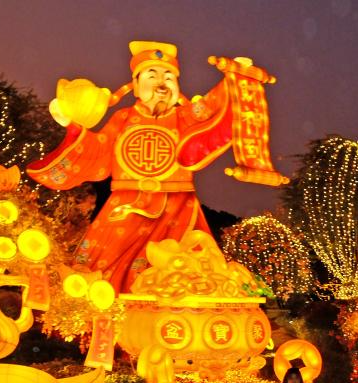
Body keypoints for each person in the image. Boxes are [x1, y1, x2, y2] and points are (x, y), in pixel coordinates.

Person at [27, 41, 236, 292]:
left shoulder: (185, 117)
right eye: (152, 74)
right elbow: (99, 151)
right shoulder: (123, 118)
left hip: (178, 207)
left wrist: (235, 81)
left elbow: (214, 107)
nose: (162, 82)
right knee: (102, 271)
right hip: (125, 207)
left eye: (169, 76)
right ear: (136, 85)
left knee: (185, 267)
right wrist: (73, 127)